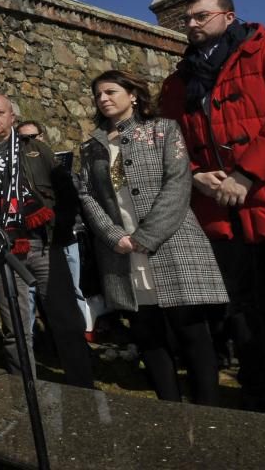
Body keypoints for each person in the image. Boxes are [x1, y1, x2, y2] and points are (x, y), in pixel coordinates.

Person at [159, 0, 265, 411]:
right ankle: (261, 403)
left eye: (201, 16)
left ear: (229, 16)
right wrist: (196, 176)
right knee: (243, 313)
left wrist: (246, 173)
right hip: (222, 212)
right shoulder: (178, 80)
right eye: (187, 19)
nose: (192, 24)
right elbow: (170, 143)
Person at [79, 70, 227, 404]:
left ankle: (211, 415)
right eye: (98, 94)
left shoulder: (163, 130)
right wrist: (114, 236)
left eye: (110, 91)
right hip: (123, 253)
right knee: (149, 336)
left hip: (172, 244)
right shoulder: (92, 148)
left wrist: (147, 235)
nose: (103, 99)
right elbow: (86, 195)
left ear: (133, 95)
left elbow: (178, 184)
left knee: (192, 334)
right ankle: (169, 412)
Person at [0, 94, 93, 387]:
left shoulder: (36, 150)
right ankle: (26, 388)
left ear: (12, 116)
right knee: (16, 328)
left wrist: (60, 231)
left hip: (44, 246)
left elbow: (65, 192)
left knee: (66, 320)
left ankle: (83, 388)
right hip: (4, 252)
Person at [17, 121, 94, 337]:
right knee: (33, 294)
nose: (30, 142)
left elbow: (77, 197)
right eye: (25, 138)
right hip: (38, 241)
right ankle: (37, 340)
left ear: (43, 136)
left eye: (34, 136)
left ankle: (81, 334)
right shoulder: (18, 172)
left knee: (74, 288)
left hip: (67, 236)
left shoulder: (57, 165)